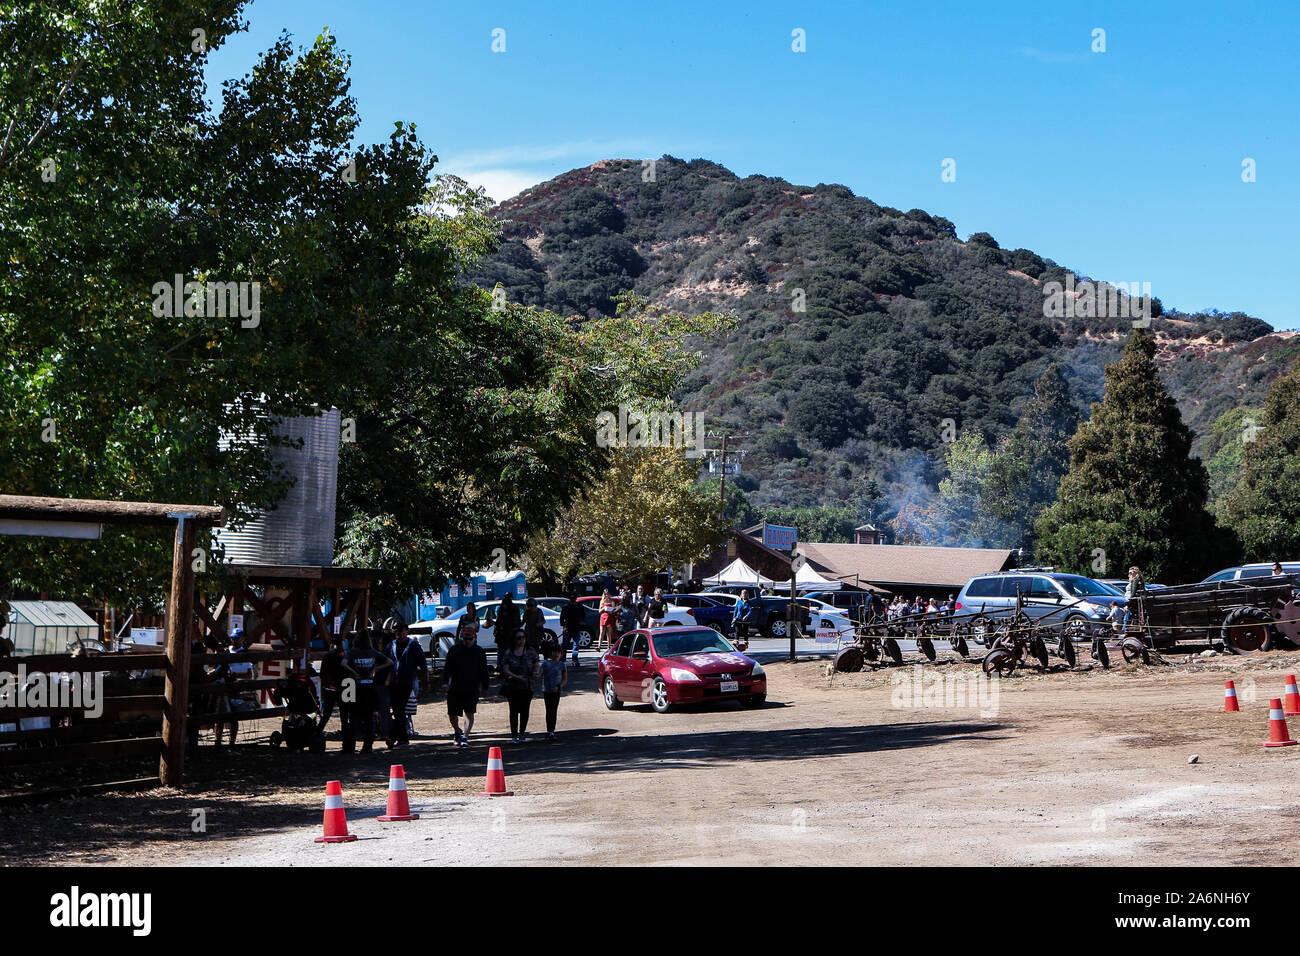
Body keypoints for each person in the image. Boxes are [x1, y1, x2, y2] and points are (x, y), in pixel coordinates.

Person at [342, 630, 392, 754]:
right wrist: (375, 668)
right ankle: (368, 746)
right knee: (369, 717)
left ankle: (350, 746)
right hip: (370, 687)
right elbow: (390, 662)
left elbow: (343, 663)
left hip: (355, 687)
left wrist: (353, 672)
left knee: (353, 717)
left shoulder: (353, 652)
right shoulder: (372, 652)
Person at [444, 622, 490, 747]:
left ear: (475, 638)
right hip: (455, 687)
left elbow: (484, 671)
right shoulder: (454, 650)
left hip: (472, 687)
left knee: (469, 713)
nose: (468, 641)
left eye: (470, 638)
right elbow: (447, 667)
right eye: (465, 638)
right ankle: (457, 730)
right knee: (452, 714)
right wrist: (445, 682)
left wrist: (485, 687)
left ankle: (465, 736)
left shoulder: (479, 652)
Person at [385, 621, 427, 747]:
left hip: (407, 682)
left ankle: (394, 737)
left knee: (400, 709)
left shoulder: (413, 646)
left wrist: (426, 682)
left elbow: (423, 664)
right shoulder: (391, 645)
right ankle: (401, 738)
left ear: (406, 632)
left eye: (400, 631)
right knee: (398, 710)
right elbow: (384, 660)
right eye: (396, 632)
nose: (398, 634)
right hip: (393, 682)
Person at [499, 629, 539, 743]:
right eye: (518, 638)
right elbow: (505, 669)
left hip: (527, 686)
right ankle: (514, 735)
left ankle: (522, 733)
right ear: (514, 639)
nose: (521, 640)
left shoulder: (530, 651)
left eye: (523, 637)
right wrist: (516, 677)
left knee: (525, 710)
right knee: (513, 711)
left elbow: (537, 663)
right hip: (513, 687)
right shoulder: (509, 652)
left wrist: (536, 671)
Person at [317, 641, 349, 738]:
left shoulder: (327, 656)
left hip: (330, 688)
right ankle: (346, 735)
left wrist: (326, 684)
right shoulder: (346, 656)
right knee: (344, 714)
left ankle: (317, 732)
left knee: (326, 713)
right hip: (344, 688)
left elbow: (322, 674)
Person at [540, 644, 568, 741]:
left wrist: (559, 686)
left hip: (556, 691)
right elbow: (539, 673)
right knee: (549, 710)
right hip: (547, 690)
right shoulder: (545, 663)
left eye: (558, 652)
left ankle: (552, 731)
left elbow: (565, 679)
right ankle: (549, 730)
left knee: (553, 710)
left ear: (561, 654)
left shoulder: (562, 665)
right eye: (554, 651)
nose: (556, 654)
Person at [493, 594, 520, 667]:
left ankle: (509, 666)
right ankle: (501, 666)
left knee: (508, 651)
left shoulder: (513, 609)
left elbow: (516, 622)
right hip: (502, 635)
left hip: (509, 634)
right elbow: (498, 621)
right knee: (501, 651)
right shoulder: (501, 609)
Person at [559, 595, 585, 669]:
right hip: (568, 628)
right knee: (565, 645)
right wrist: (563, 626)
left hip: (576, 628)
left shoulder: (579, 607)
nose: (573, 600)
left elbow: (583, 616)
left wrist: (581, 622)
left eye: (574, 599)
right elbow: (562, 618)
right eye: (572, 599)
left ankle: (574, 660)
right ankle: (563, 660)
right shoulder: (566, 607)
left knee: (576, 645)